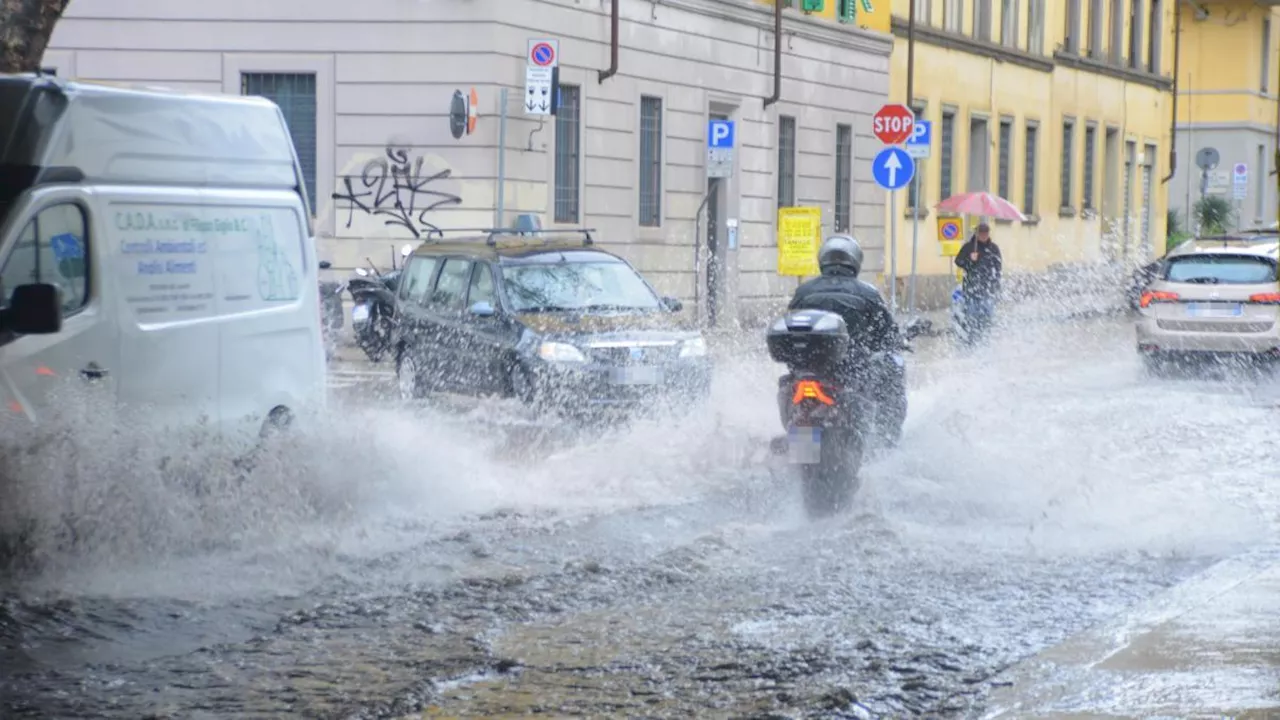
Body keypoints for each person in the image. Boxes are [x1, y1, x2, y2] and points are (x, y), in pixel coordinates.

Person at [787, 234, 907, 446]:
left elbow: (791, 323)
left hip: (808, 367)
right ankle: (886, 440)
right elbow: (886, 332)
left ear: (823, 259)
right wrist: (897, 340)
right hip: (851, 369)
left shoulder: (804, 291)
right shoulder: (867, 293)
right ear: (854, 261)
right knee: (892, 369)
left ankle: (802, 449)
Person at [953, 222, 1003, 340]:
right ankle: (971, 338)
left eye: (985, 233)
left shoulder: (994, 248)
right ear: (977, 234)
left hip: (987, 289)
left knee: (987, 317)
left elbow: (998, 266)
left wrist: (996, 283)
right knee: (971, 316)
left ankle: (985, 339)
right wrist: (970, 260)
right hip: (971, 289)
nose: (984, 236)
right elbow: (958, 261)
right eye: (981, 233)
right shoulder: (969, 247)